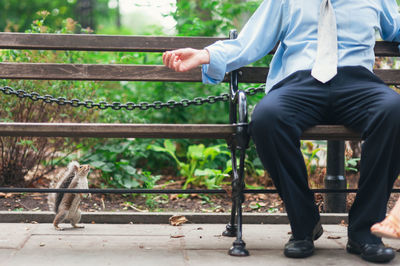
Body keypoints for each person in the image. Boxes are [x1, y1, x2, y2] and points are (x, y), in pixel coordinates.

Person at [163, 0, 400, 263]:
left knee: (394, 111)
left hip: (357, 83)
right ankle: (304, 225)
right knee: (267, 117)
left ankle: (365, 232)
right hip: (301, 83)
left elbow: (397, 28)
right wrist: (204, 55)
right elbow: (250, 40)